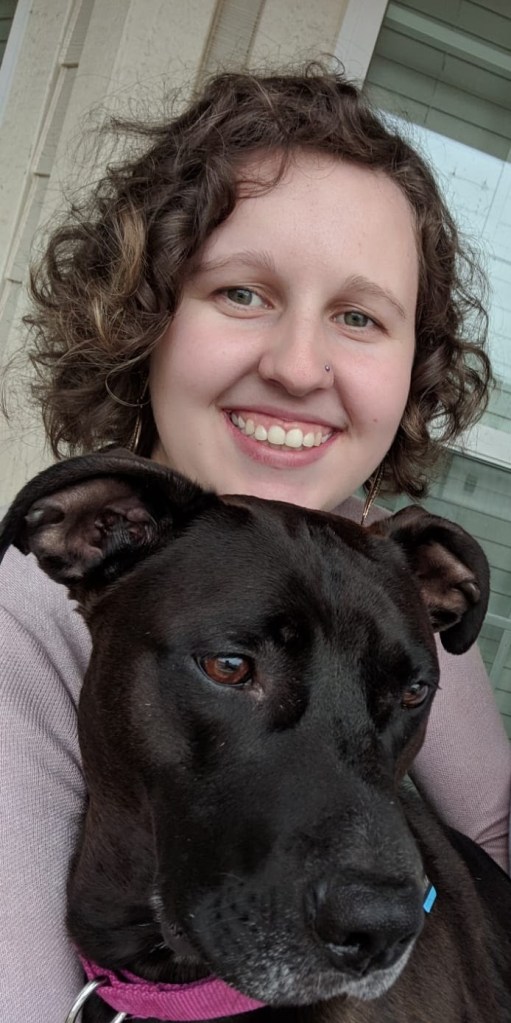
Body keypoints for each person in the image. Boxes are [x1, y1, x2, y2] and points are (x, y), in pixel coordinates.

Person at [1, 64, 510, 1023]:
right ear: (145, 313)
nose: (298, 365)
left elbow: (489, 832)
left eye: (358, 316)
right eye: (242, 292)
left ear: (414, 361)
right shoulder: (24, 612)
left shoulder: (381, 579)